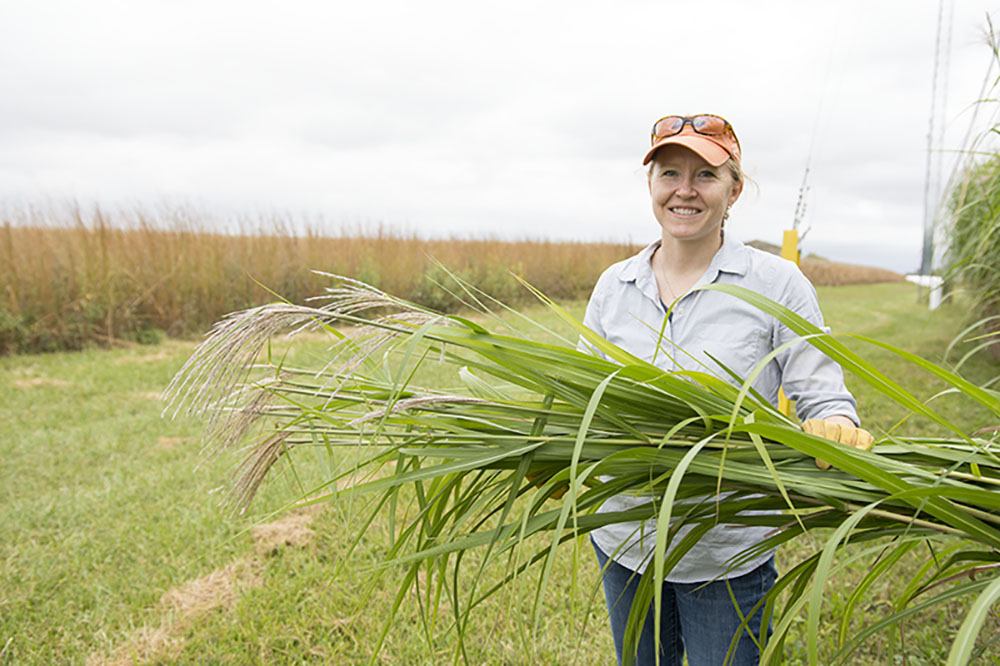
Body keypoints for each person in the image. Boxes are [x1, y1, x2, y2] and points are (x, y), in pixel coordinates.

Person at [582, 114, 873, 666]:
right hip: (624, 538)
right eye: (670, 173)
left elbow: (824, 395)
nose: (685, 190)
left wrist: (836, 427)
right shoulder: (614, 285)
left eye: (706, 175)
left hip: (726, 548)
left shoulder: (776, 284)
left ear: (734, 188)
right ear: (651, 185)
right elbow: (585, 399)